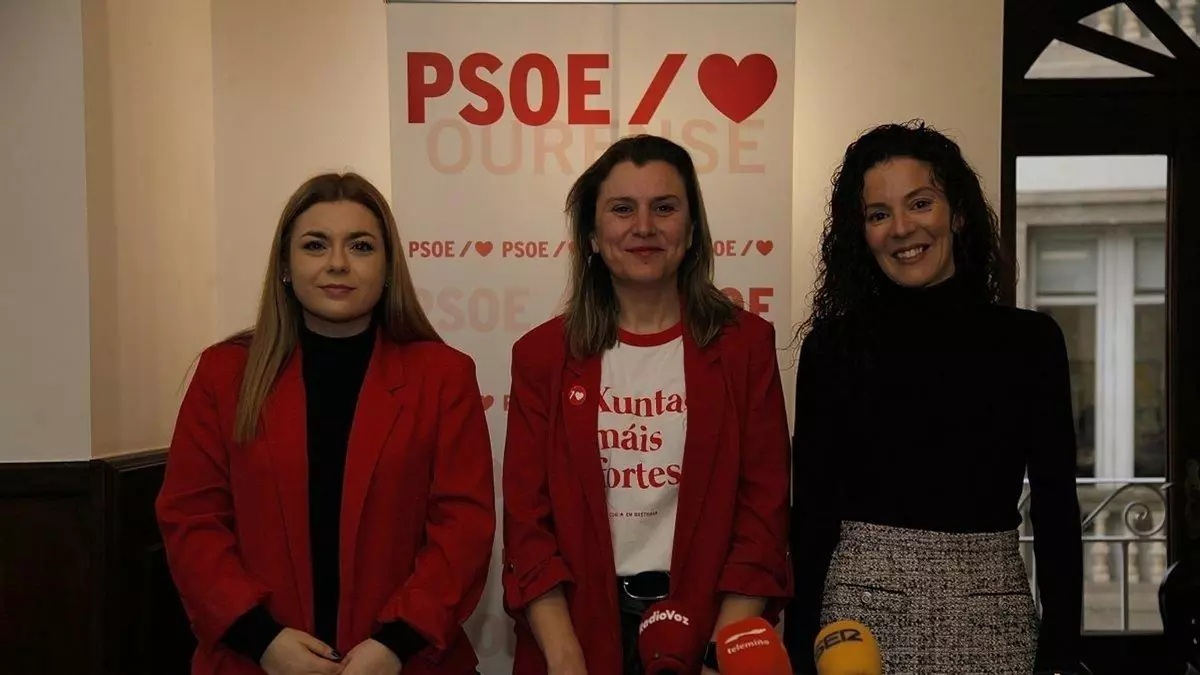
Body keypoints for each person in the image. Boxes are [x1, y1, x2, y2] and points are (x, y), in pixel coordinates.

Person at [156, 173, 495, 675]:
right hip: (254, 660)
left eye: (361, 245)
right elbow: (192, 520)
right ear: (285, 266)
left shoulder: (443, 375)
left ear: (387, 267)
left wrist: (396, 644)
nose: (338, 262)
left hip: (407, 662)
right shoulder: (224, 374)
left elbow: (462, 528)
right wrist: (262, 640)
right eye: (315, 245)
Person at [783, 121, 1084, 674]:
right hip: (856, 627)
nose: (902, 228)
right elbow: (813, 516)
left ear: (958, 213)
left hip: (992, 622)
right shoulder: (831, 347)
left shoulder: (1031, 342)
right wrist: (800, 652)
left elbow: (1056, 505)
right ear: (861, 233)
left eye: (920, 203)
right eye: (878, 214)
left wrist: (1062, 651)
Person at [501, 134, 792, 675]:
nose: (644, 227)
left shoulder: (745, 347)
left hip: (708, 629)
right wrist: (564, 655)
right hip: (576, 635)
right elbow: (527, 525)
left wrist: (720, 653)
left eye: (664, 207)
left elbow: (763, 516)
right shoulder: (541, 357)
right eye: (621, 209)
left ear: (693, 229)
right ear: (591, 235)